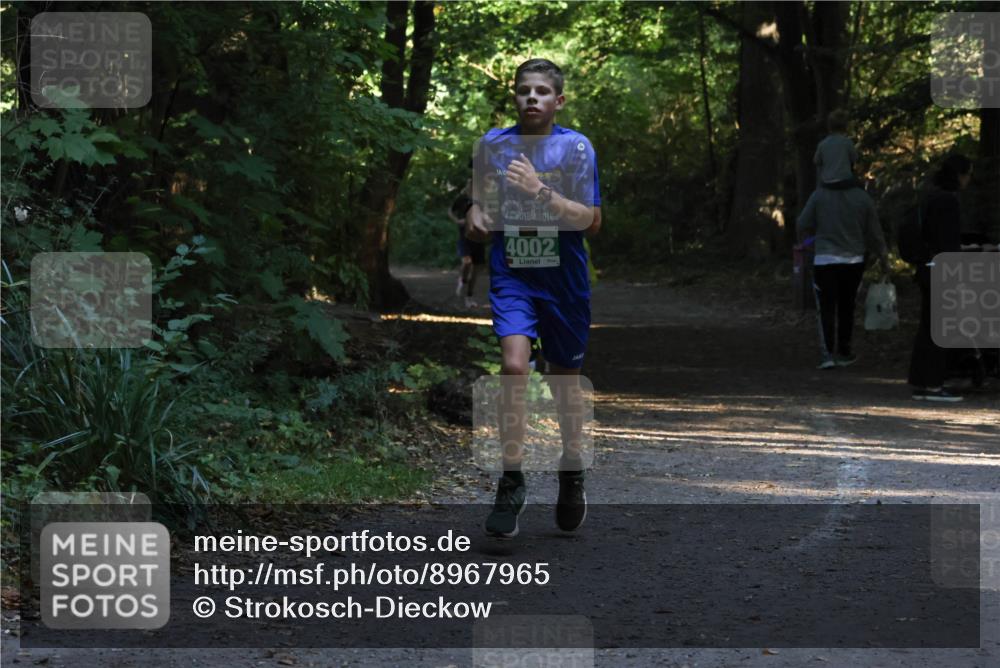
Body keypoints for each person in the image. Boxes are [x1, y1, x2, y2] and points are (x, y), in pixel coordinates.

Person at [465, 58, 602, 538]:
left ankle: (571, 468)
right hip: (513, 275)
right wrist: (476, 217)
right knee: (515, 367)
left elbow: (592, 220)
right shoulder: (492, 145)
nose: (532, 98)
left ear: (558, 101)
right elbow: (477, 201)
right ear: (514, 96)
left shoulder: (577, 148)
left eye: (543, 91)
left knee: (566, 383)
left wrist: (540, 191)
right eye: (524, 90)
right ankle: (512, 479)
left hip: (564, 281)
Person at [797, 171, 889, 369]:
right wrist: (883, 256)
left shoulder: (819, 195)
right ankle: (845, 351)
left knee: (826, 307)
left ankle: (827, 354)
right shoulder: (861, 197)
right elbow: (874, 230)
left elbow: (802, 223)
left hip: (825, 259)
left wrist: (812, 241)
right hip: (854, 259)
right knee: (847, 306)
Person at [908, 154, 973, 402]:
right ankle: (934, 384)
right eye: (967, 174)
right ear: (959, 175)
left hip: (926, 266)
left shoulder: (930, 197)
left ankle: (922, 380)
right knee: (941, 326)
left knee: (928, 325)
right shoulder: (948, 202)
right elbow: (949, 242)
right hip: (942, 269)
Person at [448, 179, 485, 308]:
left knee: (476, 269)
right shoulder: (462, 199)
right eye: (471, 185)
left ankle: (469, 297)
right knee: (467, 261)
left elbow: (486, 215)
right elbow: (450, 211)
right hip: (464, 236)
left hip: (478, 237)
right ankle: (462, 281)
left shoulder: (481, 200)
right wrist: (458, 221)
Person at [814, 109, 859, 189]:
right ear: (845, 126)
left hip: (827, 182)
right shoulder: (847, 142)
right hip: (845, 181)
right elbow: (855, 158)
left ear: (829, 126)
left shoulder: (822, 144)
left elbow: (816, 161)